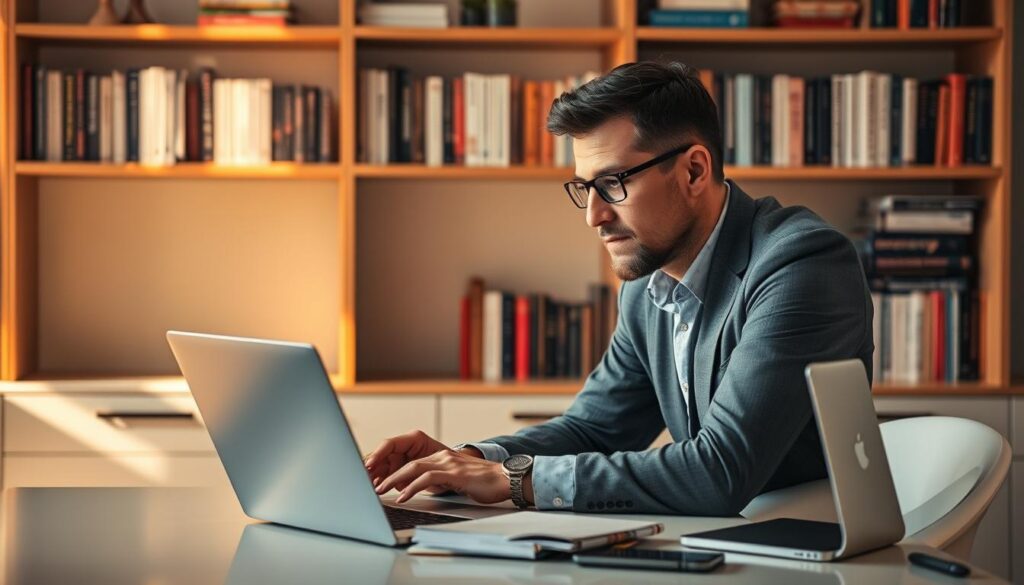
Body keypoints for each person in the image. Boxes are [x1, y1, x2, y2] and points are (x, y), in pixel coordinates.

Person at [365, 61, 873, 515]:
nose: (594, 216)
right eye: (584, 188)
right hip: (714, 542)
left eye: (613, 184)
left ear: (694, 169)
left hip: (803, 548)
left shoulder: (801, 264)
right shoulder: (648, 286)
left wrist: (514, 479)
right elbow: (595, 430)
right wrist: (470, 460)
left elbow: (721, 470)